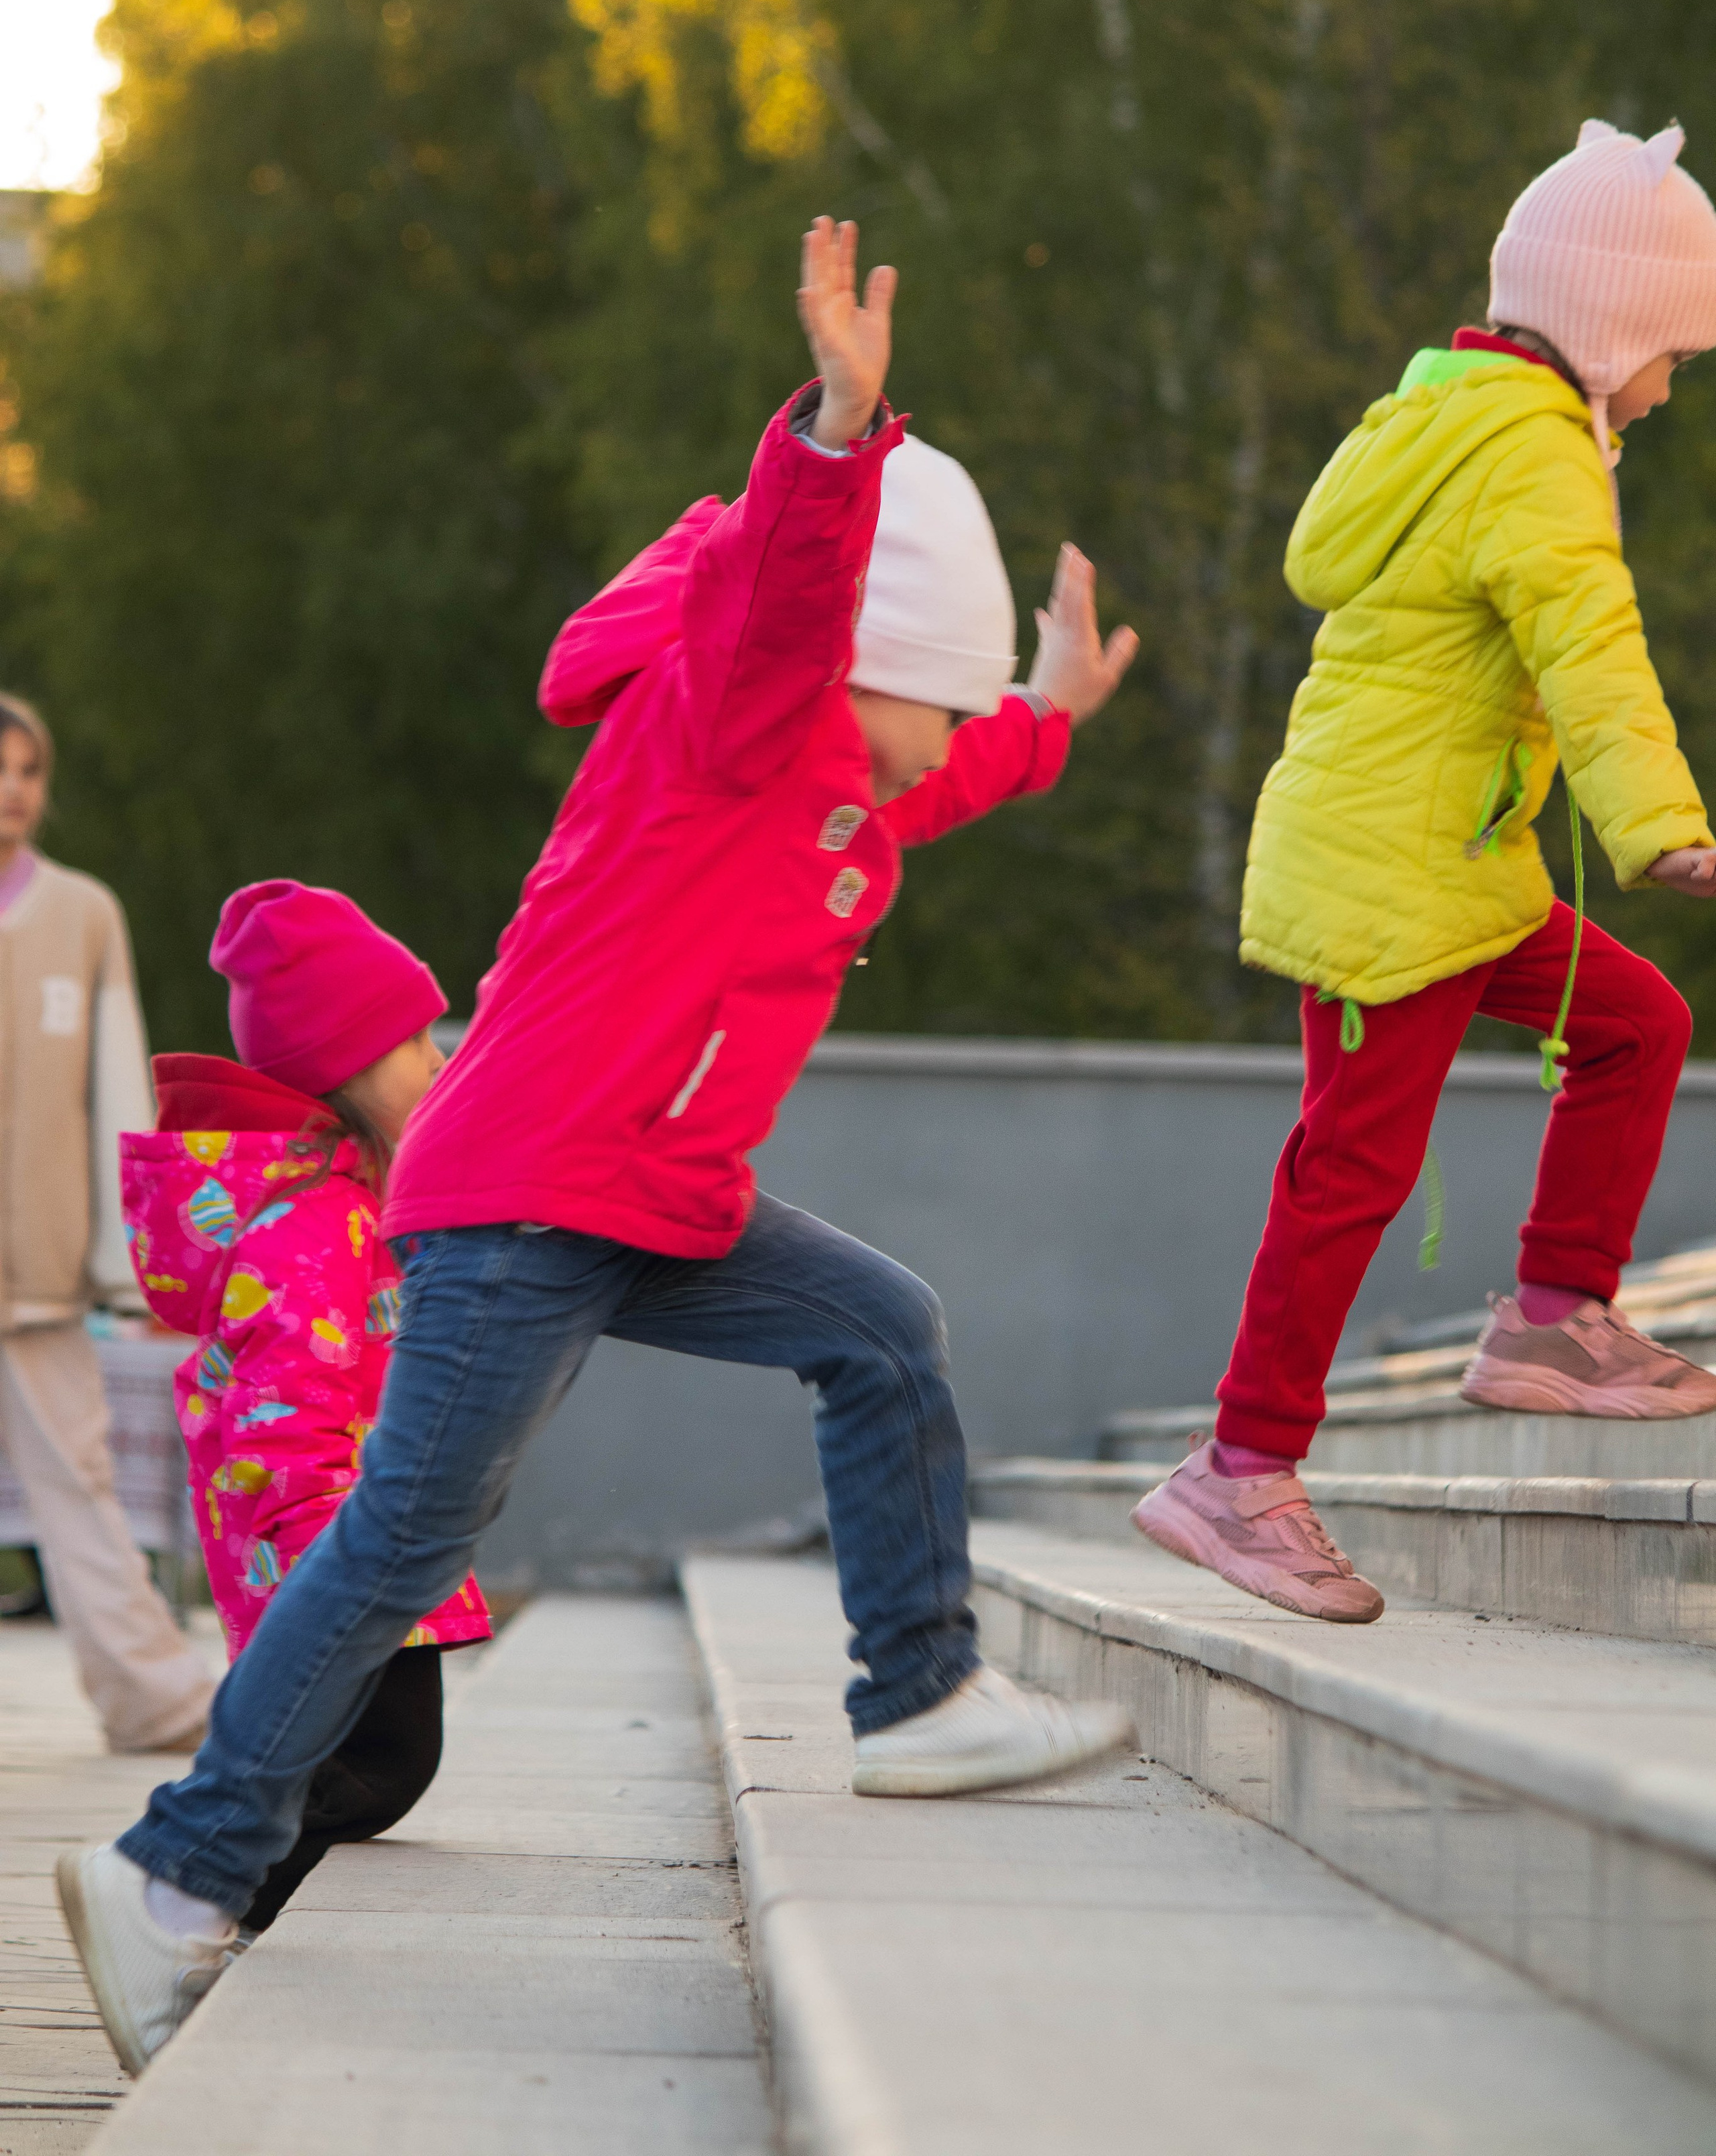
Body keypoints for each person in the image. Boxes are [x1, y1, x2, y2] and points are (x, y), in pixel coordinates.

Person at [58, 217, 1140, 2074]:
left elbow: (940, 775)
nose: (941, 740)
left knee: (880, 1331)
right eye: (940, 696)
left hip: (648, 1187)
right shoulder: (736, 717)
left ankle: (920, 1691)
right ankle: (176, 1868)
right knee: (411, 1525)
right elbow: (791, 597)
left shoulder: (851, 783)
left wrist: (1038, 716)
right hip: (533, 1178)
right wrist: (832, 432)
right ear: (864, 650)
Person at [1135, 119, 1716, 1625]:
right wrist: (1660, 823)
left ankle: (1548, 1318)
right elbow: (1589, 645)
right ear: (1607, 331)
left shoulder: (1439, 419)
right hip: (1387, 871)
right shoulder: (1529, 453)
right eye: (1670, 357)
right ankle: (1236, 1471)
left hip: (1452, 863)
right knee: (1351, 1169)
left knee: (1634, 1024)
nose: (1664, 392)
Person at [120, 880, 491, 1939]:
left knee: (372, 1770)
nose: (441, 1061)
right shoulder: (311, 1227)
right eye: (419, 1044)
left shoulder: (356, 1192)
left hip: (355, 1548)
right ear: (346, 1069)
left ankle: (216, 1901)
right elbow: (284, 1419)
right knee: (380, 1768)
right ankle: (182, 1887)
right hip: (330, 1554)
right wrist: (332, 1570)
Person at [0, 691, 213, 1748]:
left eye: (28, 770)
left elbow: (118, 1087)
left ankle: (157, 1700)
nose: (12, 791)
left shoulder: (85, 914)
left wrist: (125, 1252)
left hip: (39, 1265)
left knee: (79, 1485)